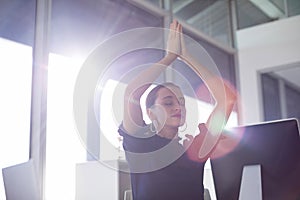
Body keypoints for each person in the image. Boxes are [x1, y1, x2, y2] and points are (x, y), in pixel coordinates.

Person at [118, 20, 237, 200]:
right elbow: (131, 93)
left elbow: (227, 99)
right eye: (168, 102)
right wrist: (169, 58)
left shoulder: (194, 150)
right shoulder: (139, 144)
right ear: (150, 112)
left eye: (181, 102)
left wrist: (186, 56)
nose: (177, 107)